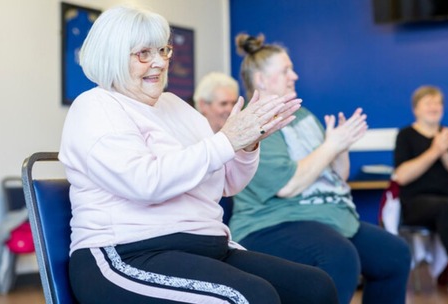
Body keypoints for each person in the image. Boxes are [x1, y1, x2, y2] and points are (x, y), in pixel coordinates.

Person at [58, 6, 339, 304]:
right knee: (254, 298)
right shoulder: (96, 107)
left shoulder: (176, 107)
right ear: (112, 56)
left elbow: (228, 183)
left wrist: (247, 145)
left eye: (163, 50)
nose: (159, 63)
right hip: (128, 252)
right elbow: (145, 183)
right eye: (143, 53)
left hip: (208, 246)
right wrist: (226, 141)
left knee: (315, 288)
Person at [229, 33, 411, 304]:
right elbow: (289, 185)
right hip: (273, 222)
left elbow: (340, 176)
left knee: (394, 254)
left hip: (328, 216)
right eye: (286, 70)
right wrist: (330, 146)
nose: (295, 76)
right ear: (260, 80)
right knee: (339, 257)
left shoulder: (302, 115)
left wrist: (340, 146)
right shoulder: (256, 122)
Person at [394, 85, 448, 295]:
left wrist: (446, 153)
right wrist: (435, 150)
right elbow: (402, 176)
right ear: (416, 109)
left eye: (438, 102)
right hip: (416, 204)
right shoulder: (405, 136)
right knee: (447, 208)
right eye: (428, 102)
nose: (434, 106)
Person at [193, 72, 240, 224]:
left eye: (234, 103)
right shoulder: (190, 140)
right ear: (202, 105)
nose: (231, 109)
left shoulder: (241, 139)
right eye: (224, 103)